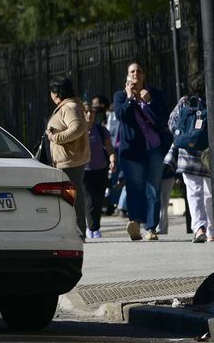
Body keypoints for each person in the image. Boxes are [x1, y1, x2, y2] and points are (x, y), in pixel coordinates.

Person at [112, 61, 172, 241]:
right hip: (131, 152)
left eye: (139, 70)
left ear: (144, 75)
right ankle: (135, 224)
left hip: (154, 148)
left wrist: (149, 102)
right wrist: (131, 99)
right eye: (132, 71)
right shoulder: (120, 96)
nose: (136, 73)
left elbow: (163, 120)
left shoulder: (156, 95)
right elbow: (122, 117)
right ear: (128, 76)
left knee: (153, 188)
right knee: (134, 188)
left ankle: (151, 228)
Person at [168, 73, 213, 243]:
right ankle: (212, 231)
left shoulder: (185, 102)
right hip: (208, 154)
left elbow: (172, 123)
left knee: (194, 192)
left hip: (187, 154)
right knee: (210, 193)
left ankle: (198, 228)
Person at [45, 76, 90, 240]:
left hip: (70, 160)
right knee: (70, 196)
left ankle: (78, 232)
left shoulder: (69, 107)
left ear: (57, 93)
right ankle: (75, 231)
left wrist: (55, 137)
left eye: (51, 91)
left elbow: (77, 128)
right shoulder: (69, 106)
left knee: (72, 197)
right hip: (68, 160)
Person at [83, 97, 115, 239]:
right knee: (89, 200)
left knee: (98, 200)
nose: (90, 114)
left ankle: (95, 226)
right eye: (86, 112)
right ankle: (92, 228)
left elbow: (109, 148)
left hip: (100, 169)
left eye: (92, 112)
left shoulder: (101, 130)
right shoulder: (78, 131)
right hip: (85, 170)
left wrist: (112, 159)